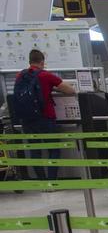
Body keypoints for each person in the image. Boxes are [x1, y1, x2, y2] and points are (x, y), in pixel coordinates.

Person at [12, 49, 75, 180]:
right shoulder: (45, 75)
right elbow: (70, 90)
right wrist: (54, 87)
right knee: (53, 149)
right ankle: (51, 181)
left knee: (35, 151)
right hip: (46, 118)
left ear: (29, 62)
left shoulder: (20, 76)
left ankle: (41, 181)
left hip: (27, 119)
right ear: (42, 62)